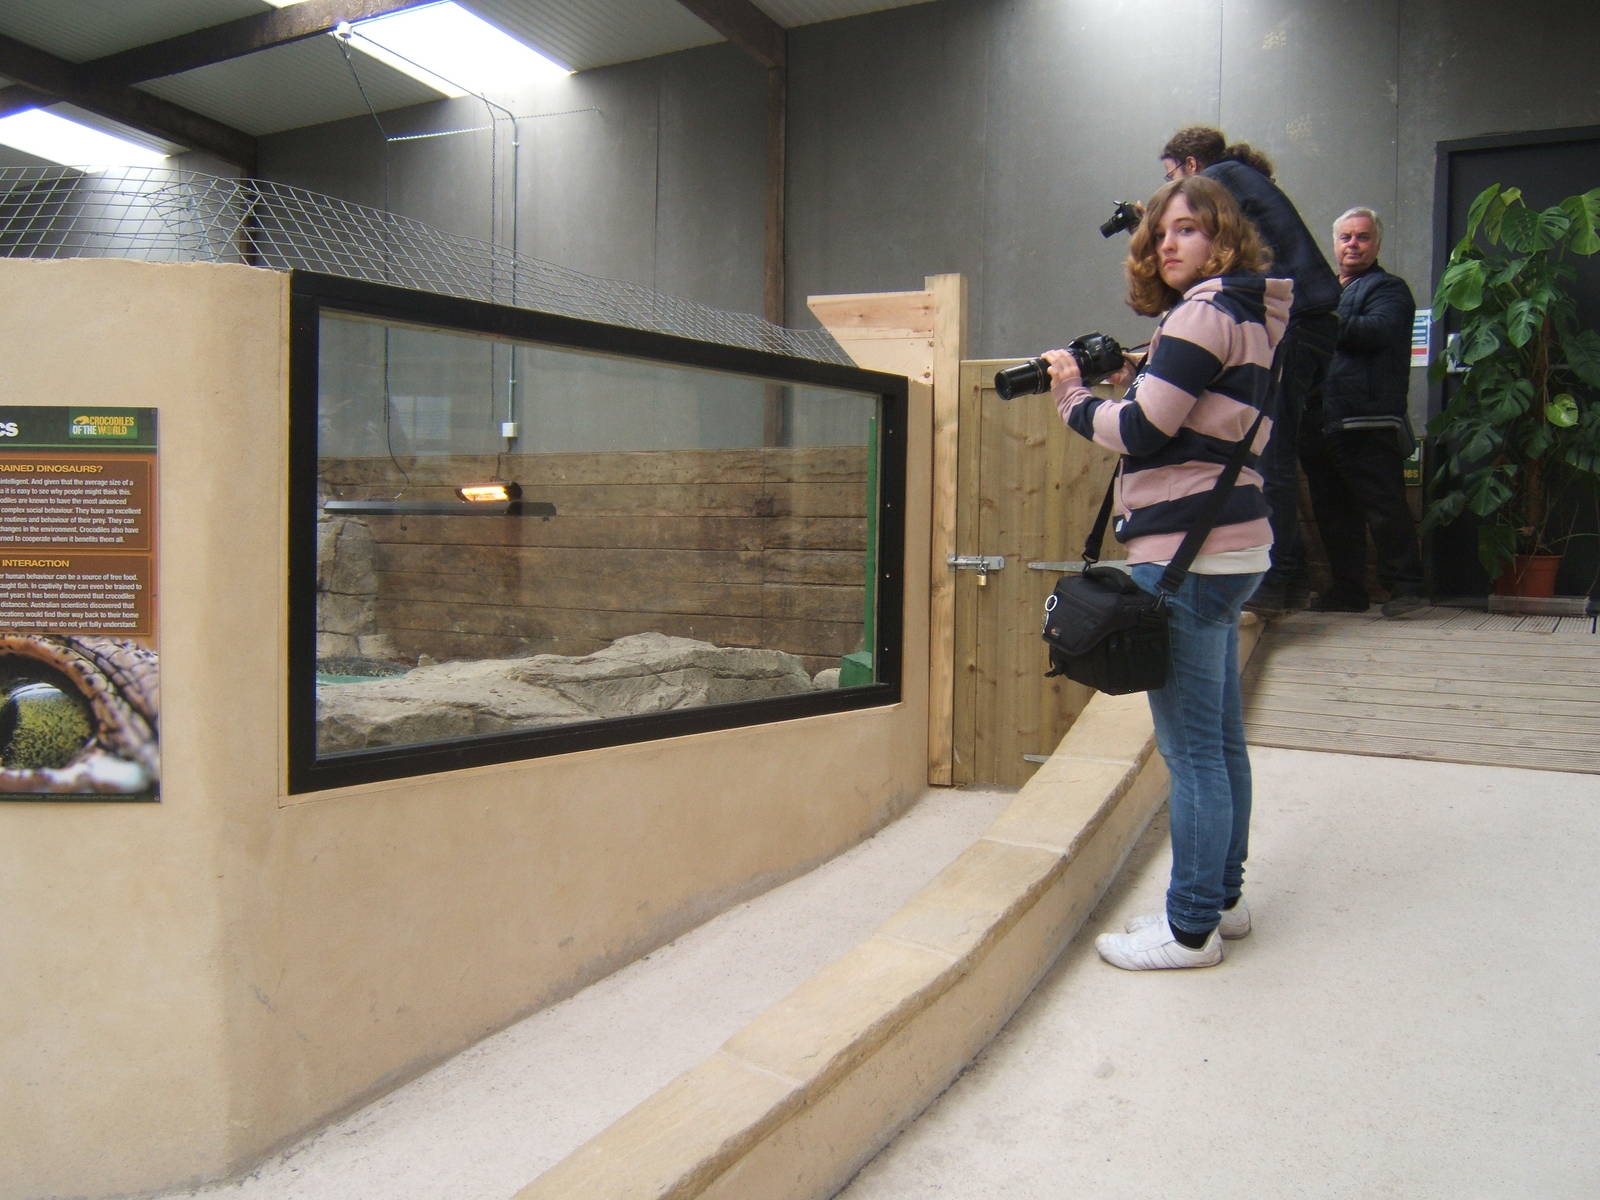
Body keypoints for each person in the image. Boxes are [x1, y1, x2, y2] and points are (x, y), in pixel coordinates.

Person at [1043, 175, 1291, 970]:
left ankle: (1189, 930)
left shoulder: (1200, 314)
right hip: (1231, 549)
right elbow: (1198, 412)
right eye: (1160, 233)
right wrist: (1142, 374)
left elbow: (1143, 432)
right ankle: (1224, 900)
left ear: (1223, 237)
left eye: (1189, 228)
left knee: (1190, 756)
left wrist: (1071, 396)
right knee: (1219, 742)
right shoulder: (1249, 315)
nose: (1168, 243)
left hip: (1187, 556)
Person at [1160, 126, 1341, 615]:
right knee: (1275, 452)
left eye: (1172, 177)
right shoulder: (1243, 179)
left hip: (1295, 323)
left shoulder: (1220, 177)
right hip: (1310, 322)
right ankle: (1289, 576)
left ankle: (1275, 580)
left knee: (1269, 454)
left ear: (1191, 166)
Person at [1300, 207, 1426, 616]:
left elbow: (1377, 332)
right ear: (1334, 243)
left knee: (1384, 506)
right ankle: (1348, 591)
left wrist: (1318, 321)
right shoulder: (1323, 295)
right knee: (1333, 512)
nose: (1353, 244)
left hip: (1365, 418)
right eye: (1346, 237)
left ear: (1377, 243)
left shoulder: (1389, 289)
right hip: (1320, 421)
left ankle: (1408, 589)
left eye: (1363, 237)